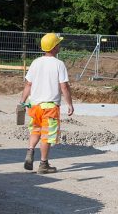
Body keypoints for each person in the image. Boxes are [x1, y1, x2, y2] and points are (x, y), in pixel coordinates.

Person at [19, 32, 74, 174]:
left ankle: (30, 151)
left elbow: (28, 84)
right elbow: (64, 86)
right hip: (50, 107)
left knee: (35, 130)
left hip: (35, 106)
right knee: (47, 135)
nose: (60, 45)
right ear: (55, 47)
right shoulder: (59, 64)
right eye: (58, 43)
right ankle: (43, 164)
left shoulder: (36, 62)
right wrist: (69, 104)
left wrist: (22, 101)